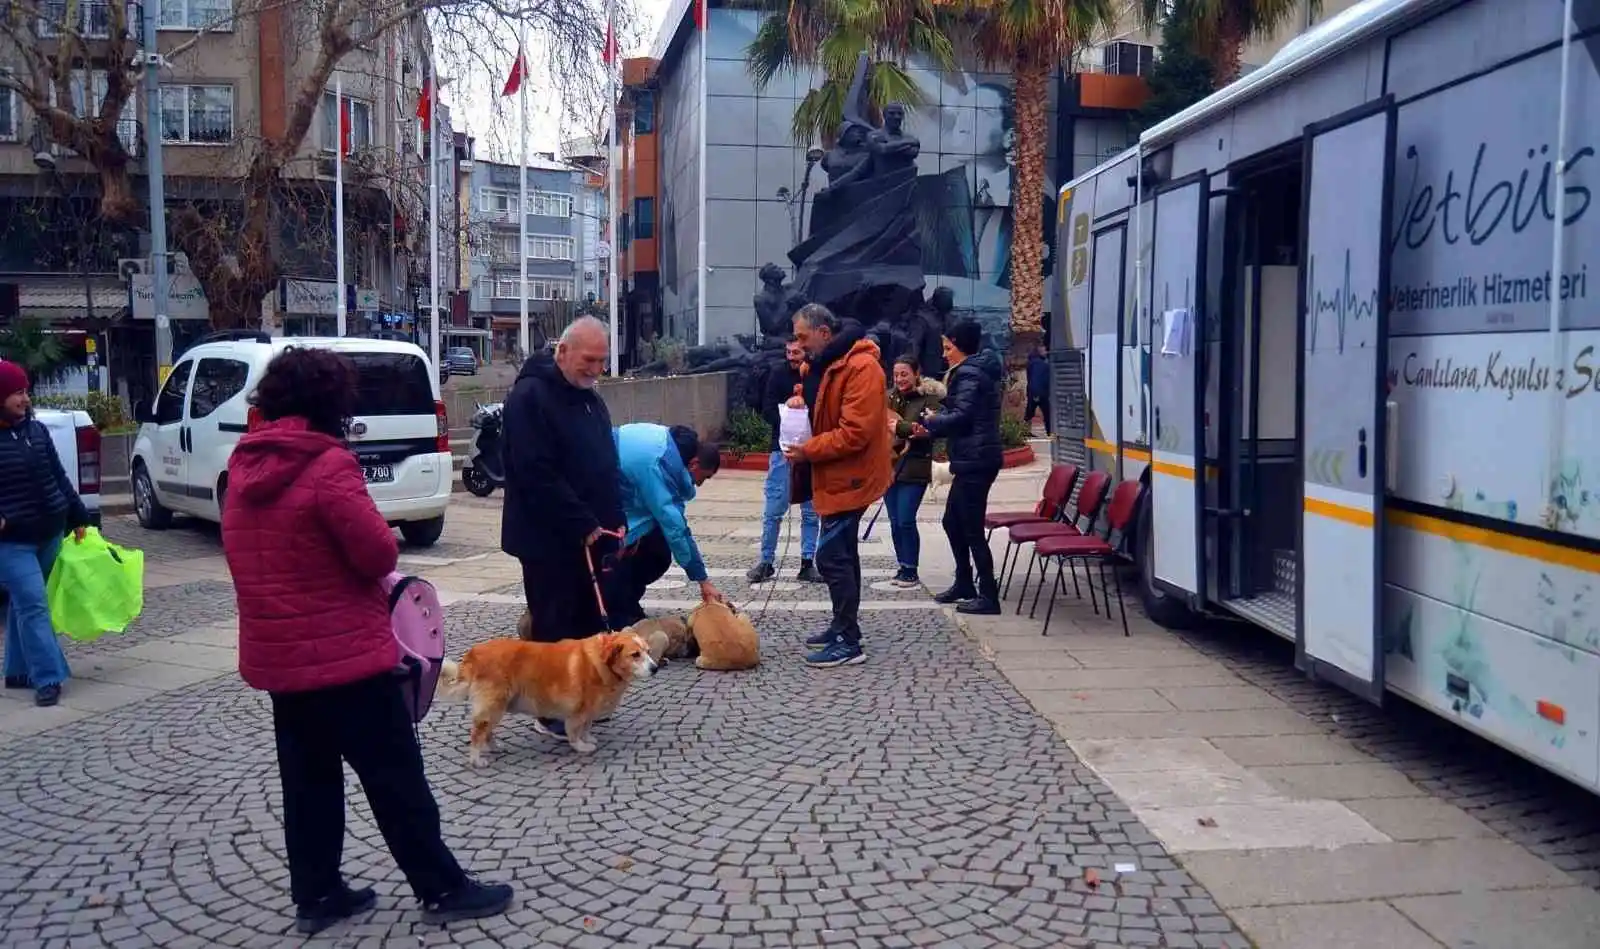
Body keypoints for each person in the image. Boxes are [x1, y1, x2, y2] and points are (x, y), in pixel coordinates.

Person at [220, 348, 512, 935]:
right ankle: (442, 887)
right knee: (396, 779)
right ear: (332, 403)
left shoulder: (244, 467)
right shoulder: (328, 466)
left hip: (282, 661)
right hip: (346, 657)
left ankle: (318, 893)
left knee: (308, 782)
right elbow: (378, 551)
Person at [502, 315, 625, 646]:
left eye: (602, 361)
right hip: (549, 540)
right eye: (589, 360)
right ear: (563, 351)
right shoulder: (530, 396)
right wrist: (582, 522)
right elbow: (535, 472)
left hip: (591, 537)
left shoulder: (590, 398)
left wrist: (616, 518)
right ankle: (551, 698)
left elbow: (606, 463)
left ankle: (583, 698)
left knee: (589, 634)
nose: (597, 369)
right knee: (556, 637)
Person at [785, 304, 892, 668]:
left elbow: (855, 432)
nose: (798, 345)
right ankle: (842, 626)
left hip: (853, 475)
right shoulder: (827, 363)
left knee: (832, 556)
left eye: (802, 337)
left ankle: (849, 641)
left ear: (825, 333)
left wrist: (807, 450)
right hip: (837, 474)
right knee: (842, 553)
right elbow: (825, 412)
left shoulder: (862, 367)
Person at [0, 360, 90, 708]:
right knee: (34, 606)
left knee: (27, 604)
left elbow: (57, 475)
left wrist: (78, 515)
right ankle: (48, 676)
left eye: (25, 391)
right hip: (12, 542)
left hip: (50, 531)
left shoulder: (35, 431)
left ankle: (17, 670)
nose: (24, 398)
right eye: (16, 393)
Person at [910, 320, 1005, 615]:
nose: (944, 354)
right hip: (971, 458)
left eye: (947, 347)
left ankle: (988, 595)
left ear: (958, 345)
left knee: (972, 528)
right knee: (953, 521)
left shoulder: (970, 374)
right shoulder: (971, 372)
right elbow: (962, 414)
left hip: (977, 460)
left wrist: (930, 420)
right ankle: (965, 582)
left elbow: (962, 416)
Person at [606, 423, 725, 627]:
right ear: (694, 464)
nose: (699, 484)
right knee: (642, 552)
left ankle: (625, 603)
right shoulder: (661, 467)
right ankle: (619, 612)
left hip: (618, 492)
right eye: (703, 478)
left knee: (654, 546)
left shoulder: (670, 445)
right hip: (605, 498)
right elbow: (676, 529)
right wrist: (703, 581)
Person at [746, 337, 823, 584]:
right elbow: (767, 407)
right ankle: (766, 561)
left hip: (811, 450)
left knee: (811, 511)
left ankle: (807, 562)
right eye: (788, 352)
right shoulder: (777, 374)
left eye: (797, 352)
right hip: (782, 448)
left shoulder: (815, 374)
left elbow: (822, 407)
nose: (792, 356)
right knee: (774, 509)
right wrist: (788, 413)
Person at [885, 356, 945, 588]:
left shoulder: (929, 400)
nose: (899, 379)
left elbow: (932, 428)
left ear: (916, 373)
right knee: (894, 520)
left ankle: (911, 569)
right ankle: (902, 565)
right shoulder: (889, 398)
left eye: (904, 374)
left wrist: (903, 428)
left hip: (914, 464)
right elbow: (881, 424)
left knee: (906, 519)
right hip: (889, 466)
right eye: (896, 374)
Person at [1025, 342, 1052, 435]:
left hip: (1034, 392)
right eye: (1044, 350)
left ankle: (1024, 430)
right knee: (1047, 413)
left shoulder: (1032, 363)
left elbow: (1030, 378)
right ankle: (1050, 431)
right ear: (1039, 351)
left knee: (1030, 412)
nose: (1046, 351)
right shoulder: (1041, 364)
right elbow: (1040, 379)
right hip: (1039, 393)